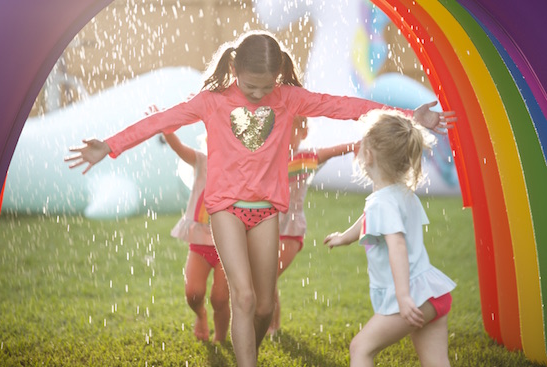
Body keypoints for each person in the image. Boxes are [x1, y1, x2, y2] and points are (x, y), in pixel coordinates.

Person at [65, 30, 455, 367]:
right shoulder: (212, 101)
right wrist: (110, 146)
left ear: (278, 76)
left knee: (265, 307)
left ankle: (246, 349)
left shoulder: (288, 98)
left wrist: (409, 115)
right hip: (225, 209)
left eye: (266, 87)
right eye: (251, 87)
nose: (258, 94)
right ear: (234, 71)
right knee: (245, 296)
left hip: (267, 211)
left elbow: (344, 107)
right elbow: (161, 120)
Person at [323, 109, 456, 367]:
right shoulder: (401, 194)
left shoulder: (381, 203)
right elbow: (370, 220)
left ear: (368, 156)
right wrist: (345, 238)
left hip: (413, 297)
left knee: (360, 348)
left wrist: (404, 297)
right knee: (436, 363)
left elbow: (397, 245)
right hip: (433, 292)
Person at [269, 115, 359, 334]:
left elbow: (332, 150)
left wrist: (353, 146)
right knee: (264, 279)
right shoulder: (266, 158)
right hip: (267, 227)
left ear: (303, 134)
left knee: (267, 277)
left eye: (288, 130)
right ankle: (272, 326)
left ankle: (271, 327)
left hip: (290, 229)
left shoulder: (305, 158)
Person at [162, 128, 230, 343]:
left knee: (220, 299)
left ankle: (220, 338)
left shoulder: (241, 170)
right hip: (200, 242)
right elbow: (179, 148)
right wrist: (166, 129)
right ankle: (200, 314)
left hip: (228, 246)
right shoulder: (202, 161)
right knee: (193, 293)